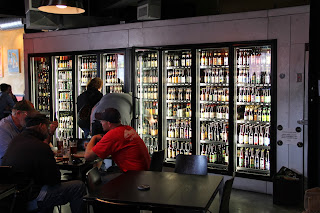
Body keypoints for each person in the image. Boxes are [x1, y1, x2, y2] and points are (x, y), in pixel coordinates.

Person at [1, 113, 86, 213]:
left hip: (14, 199)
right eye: (47, 126)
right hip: (32, 197)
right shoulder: (40, 146)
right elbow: (54, 179)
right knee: (78, 187)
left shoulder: (16, 140)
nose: (49, 129)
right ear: (42, 126)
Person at [85, 108, 150, 182]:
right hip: (144, 172)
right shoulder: (128, 128)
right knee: (109, 170)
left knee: (96, 180)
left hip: (134, 177)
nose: (100, 123)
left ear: (109, 123)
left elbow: (88, 156)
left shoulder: (113, 135)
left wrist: (94, 138)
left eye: (102, 121)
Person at [0, 100, 58, 165]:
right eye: (28, 115)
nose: (30, 119)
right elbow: (7, 158)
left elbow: (41, 145)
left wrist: (49, 133)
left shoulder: (24, 126)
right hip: (10, 171)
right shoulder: (3, 128)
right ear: (18, 113)